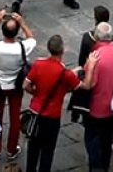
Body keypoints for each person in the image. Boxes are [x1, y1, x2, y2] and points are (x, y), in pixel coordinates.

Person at [0, 8, 37, 162]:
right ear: (17, 32)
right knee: (14, 118)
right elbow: (32, 38)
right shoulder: (22, 47)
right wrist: (22, 23)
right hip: (15, 87)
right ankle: (12, 149)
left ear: (3, 32)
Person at [22, 35, 82, 172]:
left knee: (33, 147)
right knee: (47, 150)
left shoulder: (38, 64)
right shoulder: (65, 73)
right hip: (52, 117)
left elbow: (25, 85)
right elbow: (84, 85)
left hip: (36, 113)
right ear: (63, 50)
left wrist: (35, 94)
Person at [81, 22, 113, 172]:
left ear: (96, 37)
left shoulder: (95, 57)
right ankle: (105, 166)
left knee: (92, 140)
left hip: (95, 107)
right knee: (107, 139)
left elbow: (90, 83)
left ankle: (96, 167)